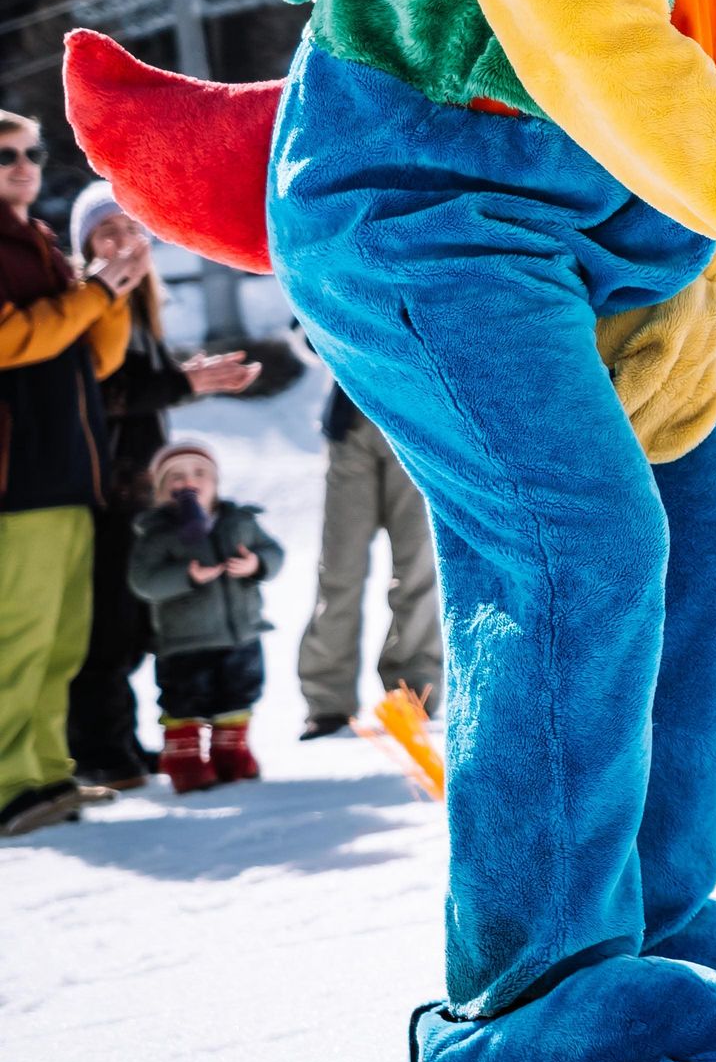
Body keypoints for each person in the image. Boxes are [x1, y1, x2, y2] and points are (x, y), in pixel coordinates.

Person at [63, 182, 262, 789]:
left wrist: (183, 376)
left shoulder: (140, 303)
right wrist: (184, 386)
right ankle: (98, 750)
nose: (123, 242)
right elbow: (101, 395)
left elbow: (137, 385)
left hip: (138, 492)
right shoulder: (93, 303)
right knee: (108, 625)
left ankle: (122, 741)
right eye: (106, 232)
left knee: (135, 624)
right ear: (85, 248)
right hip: (105, 492)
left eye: (131, 227)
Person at [0, 111, 138, 837]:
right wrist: (91, 297)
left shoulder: (45, 246)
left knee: (61, 638)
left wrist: (113, 295)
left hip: (70, 468)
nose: (23, 164)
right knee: (18, 635)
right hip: (16, 475)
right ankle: (7, 785)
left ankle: (47, 772)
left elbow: (97, 360)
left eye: (33, 152)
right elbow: (9, 338)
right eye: (6, 155)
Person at [126, 440, 283, 793]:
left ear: (216, 482)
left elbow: (273, 553)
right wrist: (186, 576)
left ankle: (232, 754)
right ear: (161, 489)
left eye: (199, 473)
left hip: (240, 633)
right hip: (185, 640)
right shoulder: (157, 533)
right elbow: (144, 581)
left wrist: (256, 564)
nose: (188, 482)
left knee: (238, 694)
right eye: (175, 477)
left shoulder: (238, 521)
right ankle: (184, 758)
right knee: (186, 699)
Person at [295, 381, 443, 739]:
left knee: (417, 570)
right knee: (339, 571)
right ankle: (328, 702)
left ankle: (412, 692)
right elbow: (307, 332)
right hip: (351, 424)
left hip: (415, 422)